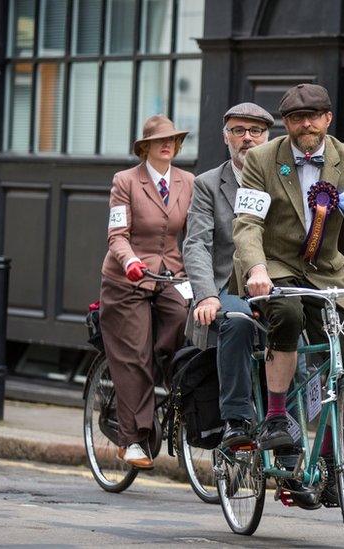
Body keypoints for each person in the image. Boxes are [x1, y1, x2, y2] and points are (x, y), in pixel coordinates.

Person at [232, 83, 344, 504]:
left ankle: (330, 461)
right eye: (297, 118)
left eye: (314, 116)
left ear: (328, 119)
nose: (306, 124)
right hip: (275, 267)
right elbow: (247, 223)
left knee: (343, 353)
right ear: (287, 124)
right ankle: (277, 415)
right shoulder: (261, 159)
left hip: (327, 271)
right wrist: (256, 269)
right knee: (290, 317)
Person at [100, 115, 194, 469]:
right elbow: (117, 235)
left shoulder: (188, 182)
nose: (167, 145)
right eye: (159, 141)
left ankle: (171, 400)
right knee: (134, 355)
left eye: (172, 140)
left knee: (185, 323)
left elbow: (194, 232)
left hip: (171, 275)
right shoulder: (125, 181)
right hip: (127, 279)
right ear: (146, 147)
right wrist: (129, 261)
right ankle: (133, 439)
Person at [183, 102, 274, 448]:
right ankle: (236, 419)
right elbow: (196, 244)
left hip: (274, 285)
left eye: (255, 131)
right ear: (226, 138)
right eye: (238, 131)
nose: (247, 138)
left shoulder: (281, 180)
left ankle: (294, 434)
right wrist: (205, 295)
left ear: (268, 138)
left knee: (303, 329)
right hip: (225, 286)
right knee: (237, 320)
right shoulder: (208, 184)